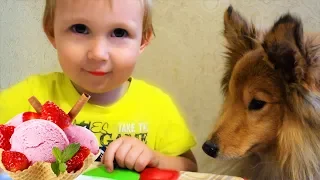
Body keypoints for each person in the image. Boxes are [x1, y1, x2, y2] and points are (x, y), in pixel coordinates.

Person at [0, 0, 198, 173]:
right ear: (52, 32)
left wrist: (155, 159)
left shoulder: (157, 106)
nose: (98, 54)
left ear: (143, 40)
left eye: (119, 32)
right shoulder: (28, 95)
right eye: (80, 28)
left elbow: (189, 168)